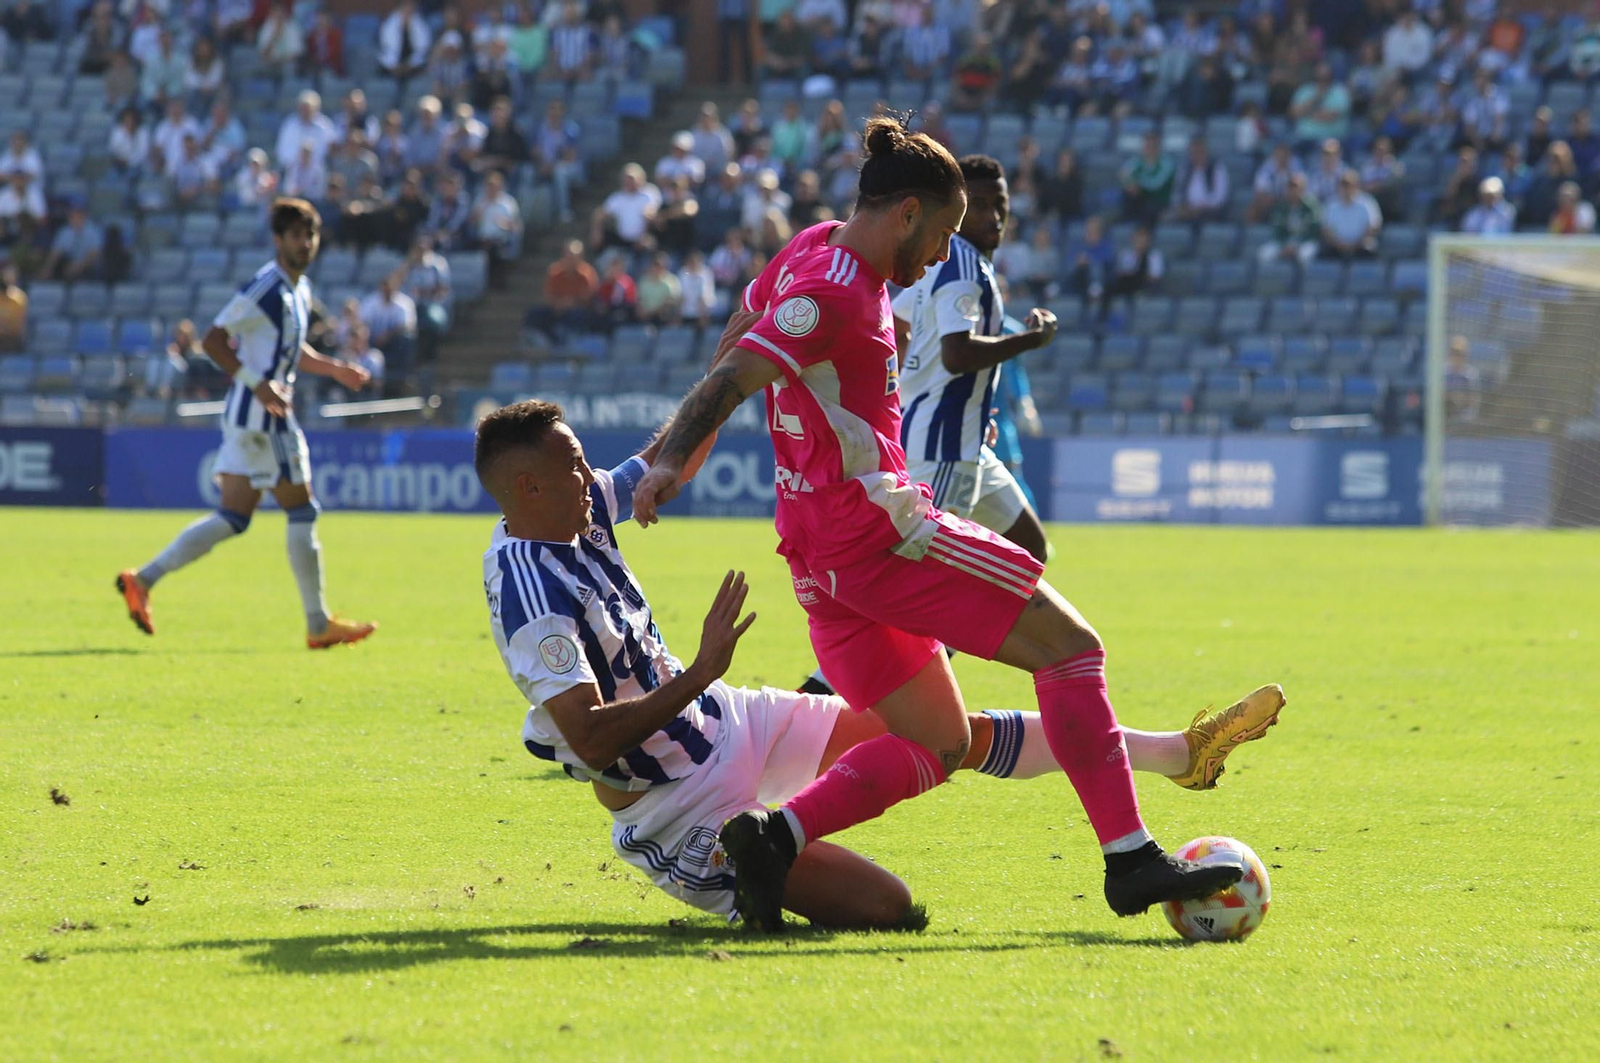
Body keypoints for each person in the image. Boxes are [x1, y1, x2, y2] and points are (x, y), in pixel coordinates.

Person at [629, 116, 1265, 932]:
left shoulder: (811, 248)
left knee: (938, 741)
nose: (940, 255)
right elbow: (735, 372)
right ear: (906, 213)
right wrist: (669, 459)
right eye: (940, 234)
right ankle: (1131, 857)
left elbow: (731, 345)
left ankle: (772, 839)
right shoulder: (838, 292)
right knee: (1073, 650)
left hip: (818, 556)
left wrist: (677, 456)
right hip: (884, 535)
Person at [475, 399, 1286, 927]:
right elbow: (588, 736)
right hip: (672, 805)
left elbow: (670, 457)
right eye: (571, 465)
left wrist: (733, 360)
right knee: (891, 909)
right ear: (526, 488)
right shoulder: (529, 593)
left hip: (729, 723)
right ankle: (755, 855)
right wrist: (701, 669)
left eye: (582, 459)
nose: (589, 474)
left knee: (944, 733)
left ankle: (1177, 754)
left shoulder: (577, 510)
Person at [117, 199, 376, 649]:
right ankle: (318, 625)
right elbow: (213, 340)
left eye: (310, 235)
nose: (304, 243)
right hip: (265, 418)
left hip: (250, 416)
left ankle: (142, 580)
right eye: (295, 235)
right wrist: (259, 385)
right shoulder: (266, 288)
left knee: (234, 517)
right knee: (302, 510)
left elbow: (291, 352)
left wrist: (335, 369)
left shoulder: (298, 289)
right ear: (278, 240)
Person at [1318, 169, 1381, 261]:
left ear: (1356, 186)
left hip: (1361, 245)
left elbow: (1374, 227)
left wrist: (1356, 244)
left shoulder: (1367, 203)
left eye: (1350, 185)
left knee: (1370, 249)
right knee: (1323, 254)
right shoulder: (1331, 204)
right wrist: (1339, 244)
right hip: (1336, 246)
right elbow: (1325, 230)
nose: (1347, 189)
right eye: (1344, 185)